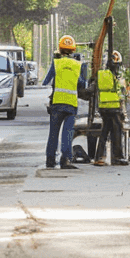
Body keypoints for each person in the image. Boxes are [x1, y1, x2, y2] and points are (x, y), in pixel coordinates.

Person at [41, 35, 88, 170]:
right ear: (73, 51)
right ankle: (65, 160)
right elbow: (83, 84)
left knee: (53, 133)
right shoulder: (78, 65)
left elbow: (47, 81)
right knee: (67, 133)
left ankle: (50, 160)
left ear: (60, 50)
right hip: (71, 105)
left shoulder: (56, 63)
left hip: (56, 104)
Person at [93, 51, 127, 166]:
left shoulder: (101, 74)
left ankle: (99, 157)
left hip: (103, 108)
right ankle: (117, 157)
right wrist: (122, 110)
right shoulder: (115, 77)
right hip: (114, 108)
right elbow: (120, 94)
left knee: (104, 131)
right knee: (117, 132)